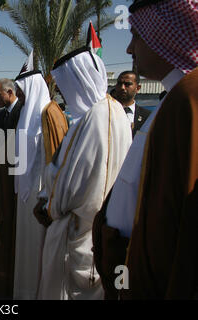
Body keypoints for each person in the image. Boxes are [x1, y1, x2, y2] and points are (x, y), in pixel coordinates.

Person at [92, 0, 198, 300]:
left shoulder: (190, 99)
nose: (129, 50)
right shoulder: (173, 98)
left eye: (135, 36)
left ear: (164, 34)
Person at [36, 47, 132, 300]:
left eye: (65, 85)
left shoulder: (100, 117)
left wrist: (49, 207)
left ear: (79, 81)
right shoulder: (106, 112)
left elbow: (78, 184)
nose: (64, 94)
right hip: (83, 227)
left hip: (80, 231)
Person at [12, 52, 68, 300]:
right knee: (26, 248)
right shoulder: (27, 114)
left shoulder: (50, 113)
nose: (19, 95)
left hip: (42, 192)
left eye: (21, 90)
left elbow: (56, 157)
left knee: (39, 248)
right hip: (27, 192)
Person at [0, 78, 23, 299]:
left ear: (10, 92)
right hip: (2, 178)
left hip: (19, 179)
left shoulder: (24, 111)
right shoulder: (1, 115)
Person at [113, 70, 151, 136]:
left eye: (127, 84)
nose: (122, 87)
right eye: (119, 83)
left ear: (138, 88)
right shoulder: (106, 111)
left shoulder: (148, 117)